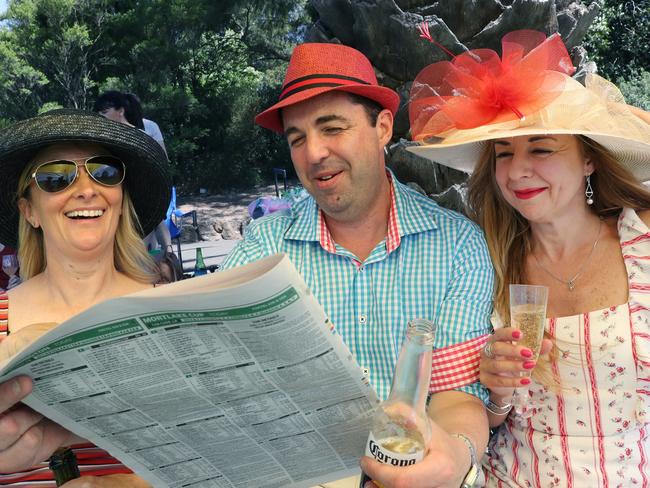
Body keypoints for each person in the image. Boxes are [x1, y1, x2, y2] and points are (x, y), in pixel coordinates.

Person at [222, 43, 494, 488]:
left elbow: (457, 394)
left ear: (382, 126)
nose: (313, 154)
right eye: (297, 139)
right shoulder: (265, 247)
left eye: (332, 128)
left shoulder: (457, 244)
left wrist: (456, 454)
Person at [408, 30, 650, 486]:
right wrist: (497, 391)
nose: (517, 170)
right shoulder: (490, 264)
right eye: (504, 152)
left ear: (588, 160)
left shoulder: (642, 241)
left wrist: (603, 113)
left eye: (541, 148)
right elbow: (489, 421)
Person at [0, 109, 171, 487]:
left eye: (104, 171)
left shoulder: (175, 314)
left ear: (121, 198)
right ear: (29, 210)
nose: (85, 188)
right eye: (55, 177)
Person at [94, 91, 173, 260]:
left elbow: (159, 165)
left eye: (104, 113)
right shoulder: (106, 140)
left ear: (120, 111)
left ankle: (166, 261)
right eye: (99, 114)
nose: (101, 118)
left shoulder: (141, 137)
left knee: (141, 249)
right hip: (121, 200)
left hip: (142, 198)